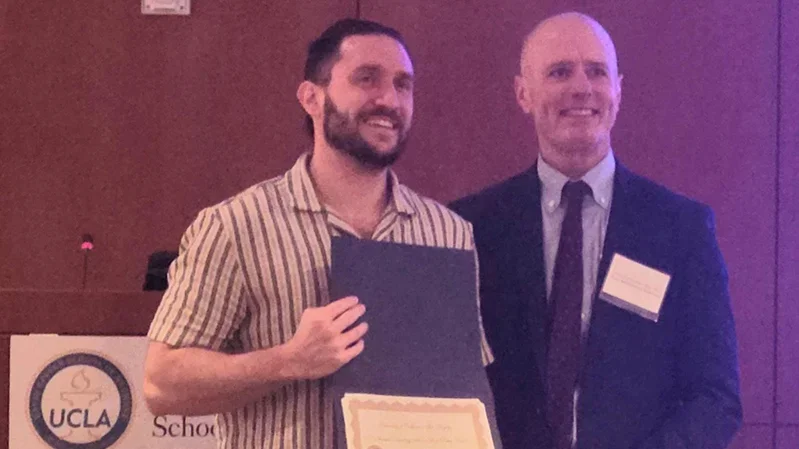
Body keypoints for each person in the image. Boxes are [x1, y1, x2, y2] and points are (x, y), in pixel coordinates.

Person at [143, 18, 492, 449]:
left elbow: (462, 390)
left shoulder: (448, 235)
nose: (389, 99)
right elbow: (161, 384)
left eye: (403, 85)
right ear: (311, 97)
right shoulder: (235, 227)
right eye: (367, 79)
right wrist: (288, 361)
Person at [451, 12, 741, 449]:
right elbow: (447, 381)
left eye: (597, 72)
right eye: (559, 72)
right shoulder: (471, 228)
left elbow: (716, 396)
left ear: (618, 90)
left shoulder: (680, 230)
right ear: (523, 93)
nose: (581, 88)